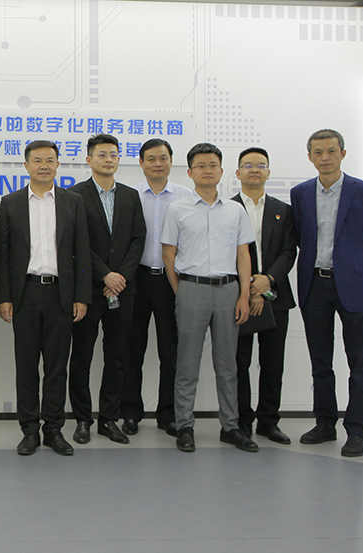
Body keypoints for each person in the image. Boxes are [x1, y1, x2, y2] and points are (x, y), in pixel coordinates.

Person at [291, 129, 363, 458]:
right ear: (310, 157)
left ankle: (358, 431)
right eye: (318, 152)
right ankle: (325, 423)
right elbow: (301, 236)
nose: (325, 157)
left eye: (331, 151)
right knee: (320, 362)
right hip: (314, 284)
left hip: (354, 286)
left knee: (360, 364)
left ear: (343, 154)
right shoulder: (301, 193)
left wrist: (354, 265)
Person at [0, 139, 91, 456]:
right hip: (25, 292)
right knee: (26, 366)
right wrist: (4, 297)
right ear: (26, 165)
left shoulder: (72, 201)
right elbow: (3, 255)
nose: (44, 166)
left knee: (56, 366)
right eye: (37, 160)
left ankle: (53, 430)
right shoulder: (11, 203)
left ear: (58, 164)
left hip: (61, 294)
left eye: (50, 160)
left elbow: (82, 252)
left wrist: (81, 296)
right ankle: (29, 431)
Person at [161, 143, 257, 453]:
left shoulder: (235, 210)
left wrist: (244, 295)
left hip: (229, 291)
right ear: (190, 172)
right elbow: (169, 256)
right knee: (187, 364)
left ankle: (230, 426)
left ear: (222, 171)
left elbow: (243, 255)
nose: (207, 170)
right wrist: (182, 291)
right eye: (201, 165)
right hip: (191, 288)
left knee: (228, 365)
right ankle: (184, 426)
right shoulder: (177, 210)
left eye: (213, 165)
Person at [68, 134, 146, 445]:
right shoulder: (75, 195)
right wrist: (105, 275)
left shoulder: (130, 195)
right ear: (89, 160)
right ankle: (82, 420)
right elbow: (76, 243)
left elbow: (138, 239)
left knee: (117, 357)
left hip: (123, 290)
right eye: (102, 154)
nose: (108, 159)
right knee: (82, 357)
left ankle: (109, 419)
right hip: (88, 290)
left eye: (113, 154)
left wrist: (121, 276)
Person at [120, 139, 191, 437]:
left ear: (172, 161)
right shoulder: (130, 196)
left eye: (163, 158)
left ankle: (168, 413)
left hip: (171, 281)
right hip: (135, 279)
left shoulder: (187, 196)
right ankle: (130, 412)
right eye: (151, 159)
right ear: (141, 163)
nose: (157, 164)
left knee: (170, 351)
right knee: (131, 350)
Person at [231, 147, 296, 445]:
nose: (254, 169)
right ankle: (242, 421)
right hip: (238, 297)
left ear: (268, 172)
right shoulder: (227, 208)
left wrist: (266, 281)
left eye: (260, 165)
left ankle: (269, 421)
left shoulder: (284, 210)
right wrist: (248, 288)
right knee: (239, 362)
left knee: (272, 362)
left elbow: (288, 252)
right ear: (237, 173)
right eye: (248, 165)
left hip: (275, 295)